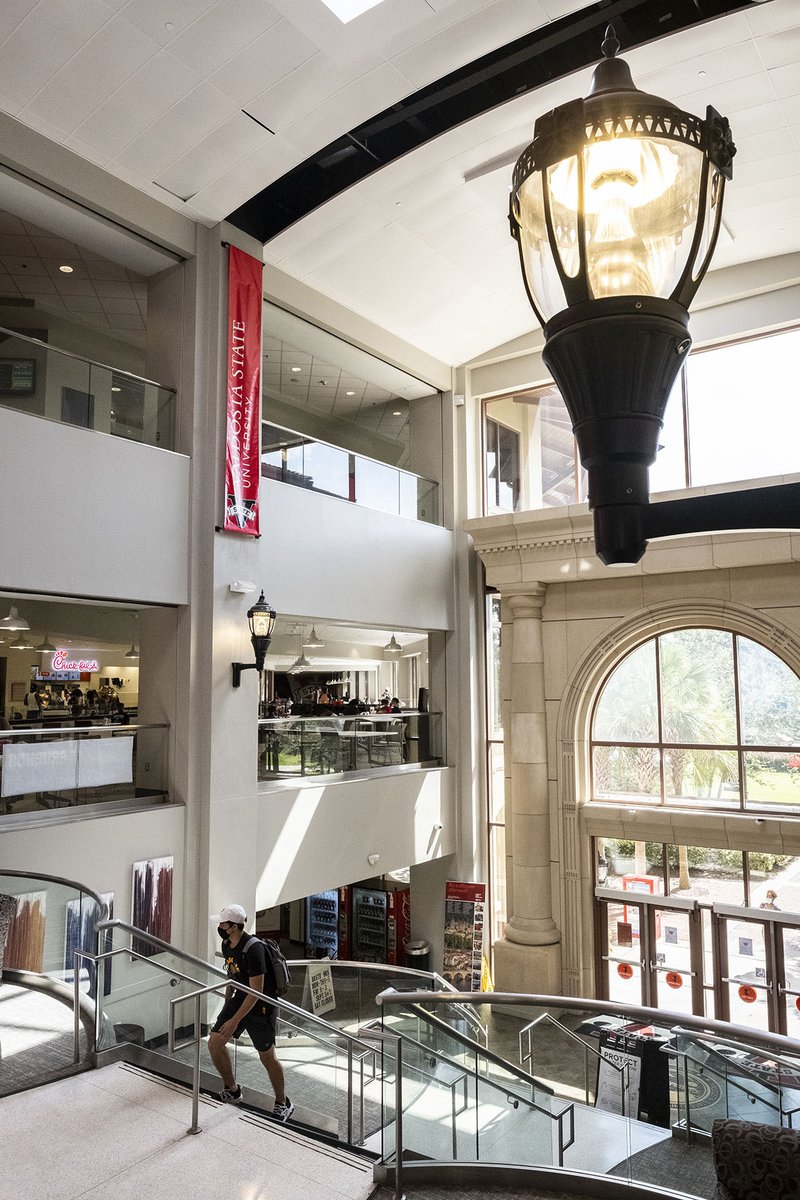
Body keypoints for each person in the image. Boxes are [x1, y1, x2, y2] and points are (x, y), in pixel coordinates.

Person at [208, 904, 293, 1120]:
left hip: (261, 1006)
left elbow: (256, 991)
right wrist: (227, 1007)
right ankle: (232, 1089)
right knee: (215, 1042)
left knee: (267, 1057)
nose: (220, 926)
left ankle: (283, 1102)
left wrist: (234, 1021)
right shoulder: (227, 943)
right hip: (239, 1000)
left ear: (234, 926)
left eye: (223, 923)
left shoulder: (253, 949)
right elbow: (232, 976)